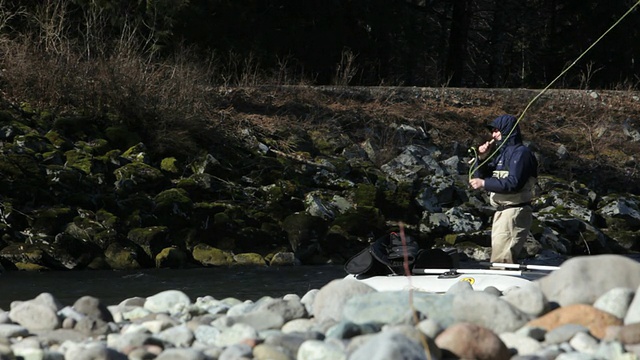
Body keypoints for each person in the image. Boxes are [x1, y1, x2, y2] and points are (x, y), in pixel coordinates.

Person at [469, 114, 538, 264]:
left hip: (514, 212)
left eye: (496, 130)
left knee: (503, 261)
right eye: (492, 131)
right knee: (499, 258)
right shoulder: (501, 154)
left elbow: (514, 183)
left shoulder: (522, 153)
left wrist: (484, 184)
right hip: (501, 212)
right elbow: (481, 174)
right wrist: (481, 157)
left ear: (507, 130)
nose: (493, 135)